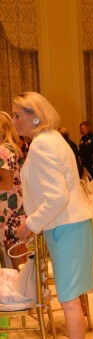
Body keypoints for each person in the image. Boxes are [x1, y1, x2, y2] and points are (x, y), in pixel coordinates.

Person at [12, 92, 93, 339]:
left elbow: (56, 196)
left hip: (66, 226)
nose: (14, 120)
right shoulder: (51, 140)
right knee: (73, 297)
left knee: (69, 301)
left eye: (18, 114)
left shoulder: (43, 144)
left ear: (35, 116)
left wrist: (29, 223)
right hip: (70, 224)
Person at [0, 112, 26, 270]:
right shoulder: (13, 148)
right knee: (20, 254)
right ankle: (29, 290)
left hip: (9, 210)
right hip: (16, 206)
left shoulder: (4, 149)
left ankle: (26, 292)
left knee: (15, 255)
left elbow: (7, 182)